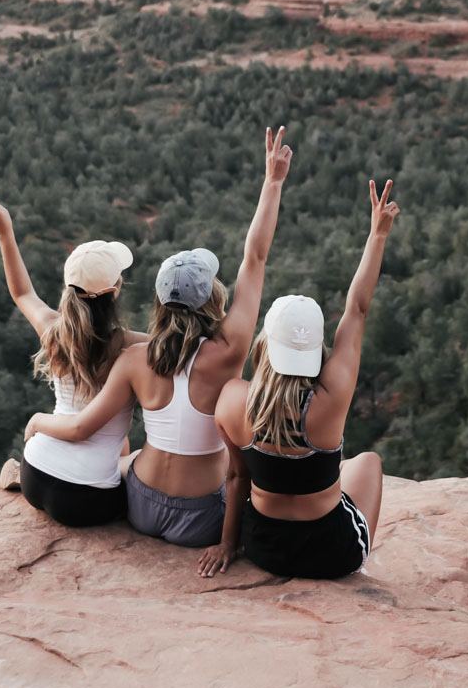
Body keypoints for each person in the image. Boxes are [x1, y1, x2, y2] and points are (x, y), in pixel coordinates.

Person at [24, 126, 293, 552]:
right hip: (201, 517)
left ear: (160, 302)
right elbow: (255, 257)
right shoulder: (229, 351)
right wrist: (272, 182)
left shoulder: (133, 357)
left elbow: (84, 425)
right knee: (241, 472)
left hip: (142, 508)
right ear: (212, 298)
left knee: (128, 455)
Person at [205, 179, 399, 579]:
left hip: (264, 547)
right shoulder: (332, 398)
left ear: (265, 344)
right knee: (368, 462)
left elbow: (237, 476)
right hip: (333, 554)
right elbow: (357, 309)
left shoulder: (234, 401)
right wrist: (377, 235)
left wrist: (228, 544)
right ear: (316, 351)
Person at [0, 191, 141, 527]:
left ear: (68, 289)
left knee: (121, 444)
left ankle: (15, 474)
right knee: (136, 459)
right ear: (116, 289)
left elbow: (22, 293)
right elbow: (185, 347)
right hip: (88, 500)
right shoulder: (134, 347)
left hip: (35, 473)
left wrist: (4, 233)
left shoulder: (53, 330)